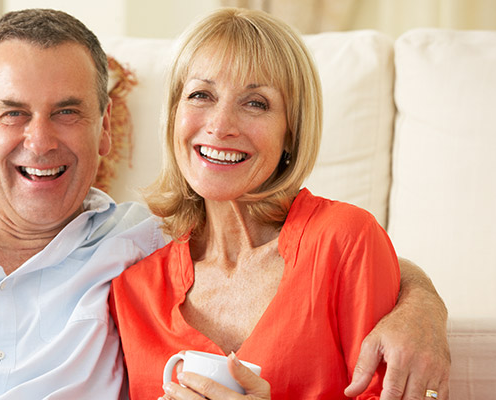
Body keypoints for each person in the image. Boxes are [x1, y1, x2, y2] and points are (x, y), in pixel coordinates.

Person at [0, 8, 447, 400]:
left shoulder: (135, 249)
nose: (40, 140)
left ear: (105, 130)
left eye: (68, 112)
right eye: (12, 114)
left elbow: (310, 253)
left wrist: (418, 302)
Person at [110, 8, 448, 400]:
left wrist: (424, 298)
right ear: (173, 117)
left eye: (256, 103)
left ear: (291, 132)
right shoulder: (134, 289)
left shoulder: (344, 240)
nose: (220, 125)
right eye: (201, 95)